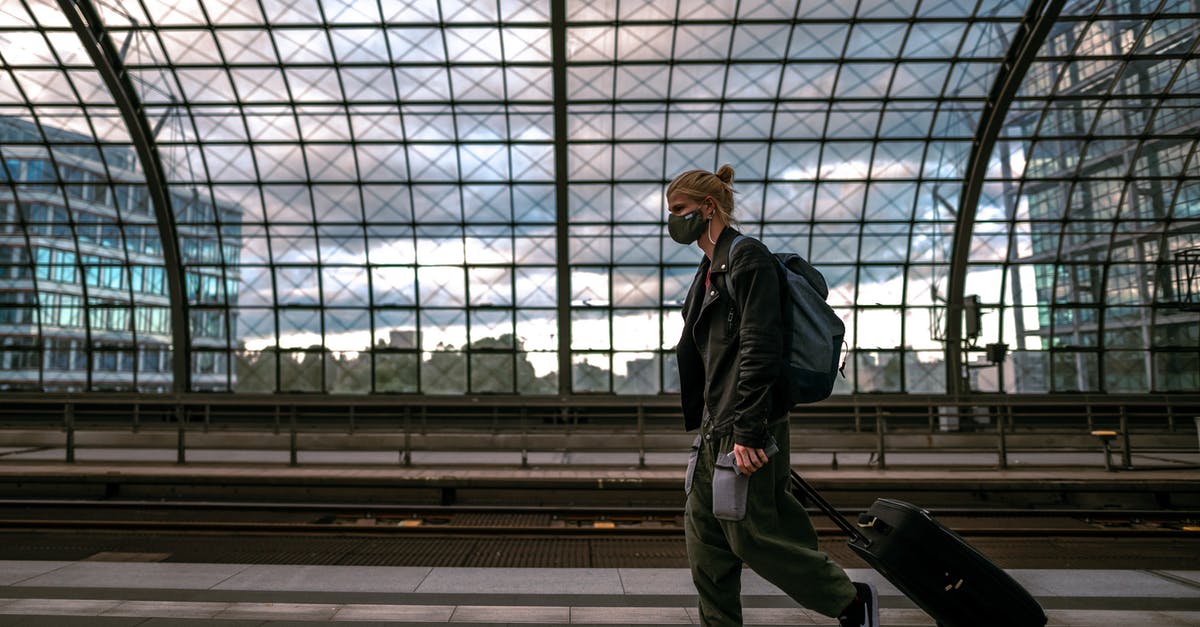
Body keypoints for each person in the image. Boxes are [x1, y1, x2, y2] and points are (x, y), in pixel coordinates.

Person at [669, 164, 878, 627]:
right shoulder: (710, 268)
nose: (673, 220)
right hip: (714, 427)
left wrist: (750, 430)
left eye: (680, 209)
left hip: (746, 424)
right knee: (706, 542)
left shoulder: (749, 259)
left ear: (708, 208)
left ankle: (848, 600)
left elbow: (761, 346)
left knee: (753, 535)